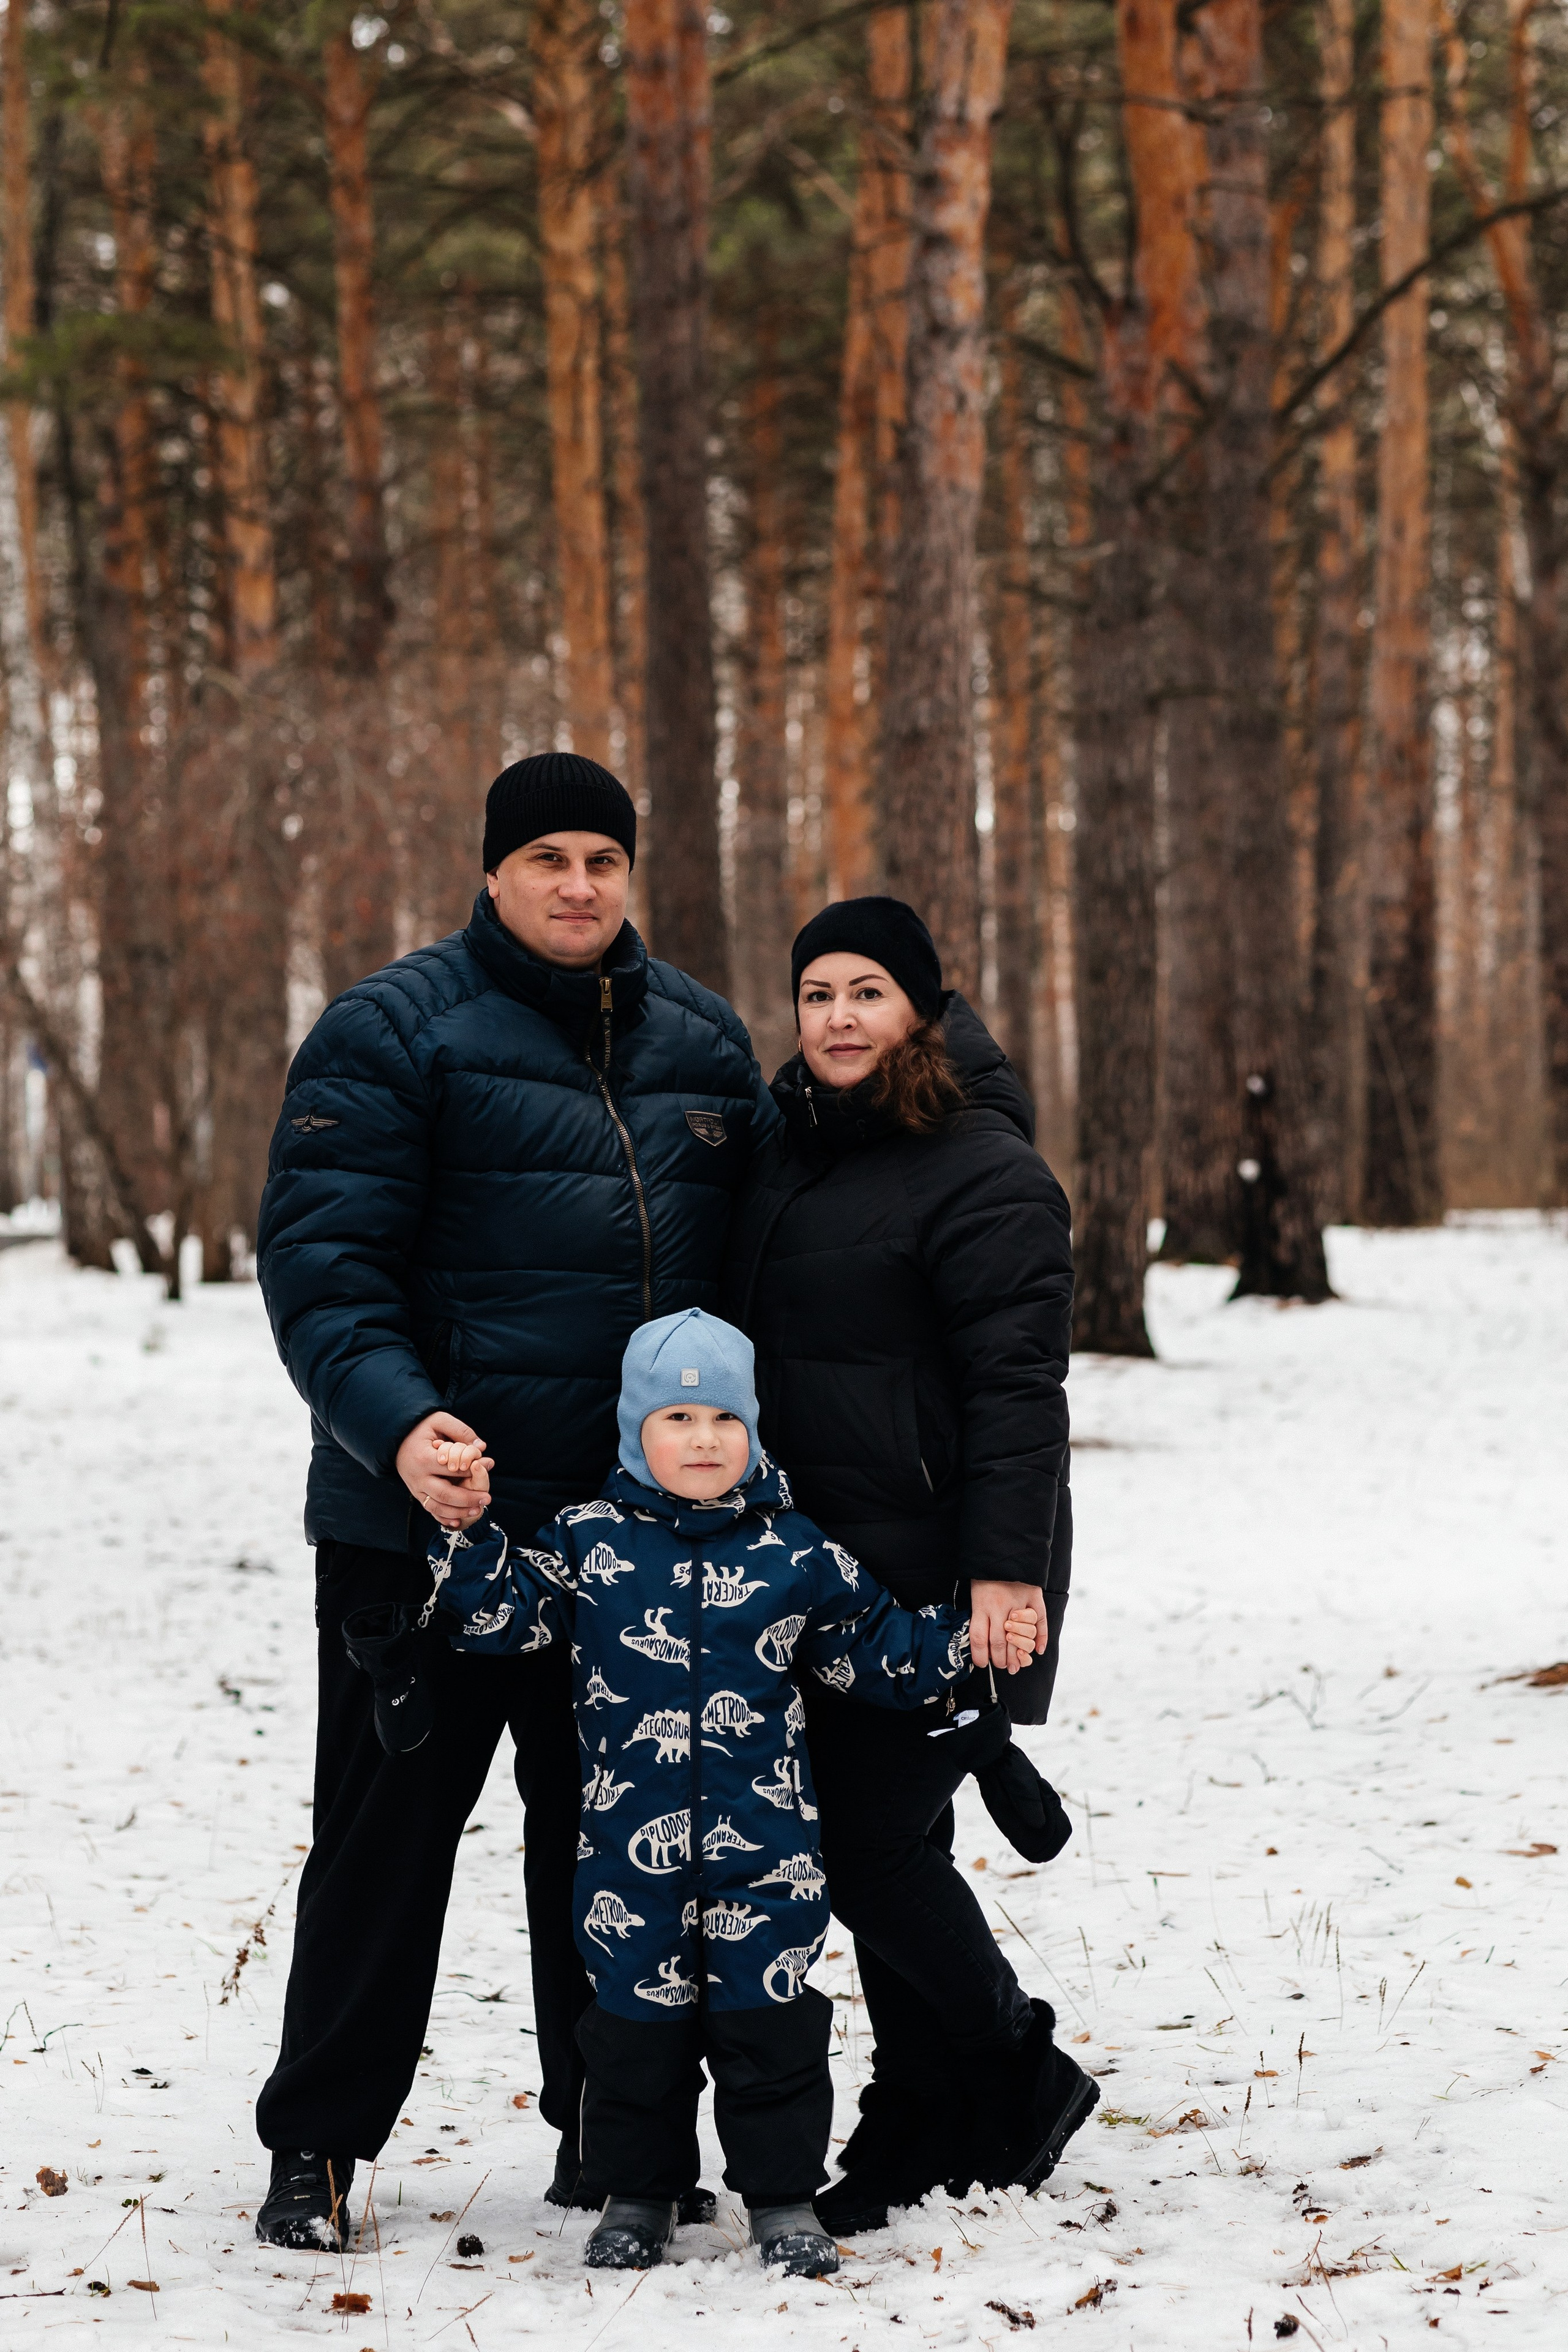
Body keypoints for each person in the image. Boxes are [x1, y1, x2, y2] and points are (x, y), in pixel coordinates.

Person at [252, 753, 777, 2249]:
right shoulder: (388, 1032)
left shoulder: (699, 1040)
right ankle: (318, 2149)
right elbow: (322, 1270)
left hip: (625, 1540)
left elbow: (767, 1258)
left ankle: (612, 2145)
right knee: (383, 1843)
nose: (576, 885)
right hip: (423, 1530)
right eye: (545, 857)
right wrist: (402, 1428)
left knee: (607, 1848)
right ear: (492, 874)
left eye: (601, 859)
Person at [429, 1308, 1038, 2274]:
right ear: (636, 1431)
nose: (703, 1439)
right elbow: (503, 1617)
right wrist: (464, 1535)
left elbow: (875, 1651)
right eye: (677, 1420)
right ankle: (639, 2192)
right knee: (633, 2026)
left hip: (770, 1848)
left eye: (724, 1419)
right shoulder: (588, 1544)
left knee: (773, 2022)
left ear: (753, 1430)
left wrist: (966, 1641)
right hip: (630, 1848)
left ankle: (784, 2198)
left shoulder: (796, 1553)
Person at [724, 895, 1094, 2231]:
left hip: (943, 1573)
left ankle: (1011, 2059)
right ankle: (924, 2108)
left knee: (861, 1846)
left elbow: (1016, 1387)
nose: (836, 1017)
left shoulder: (982, 1168)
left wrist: (1004, 1577)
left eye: (866, 993)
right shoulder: (790, 1151)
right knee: (896, 1839)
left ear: (921, 1012)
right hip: (817, 1569)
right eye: (816, 992)